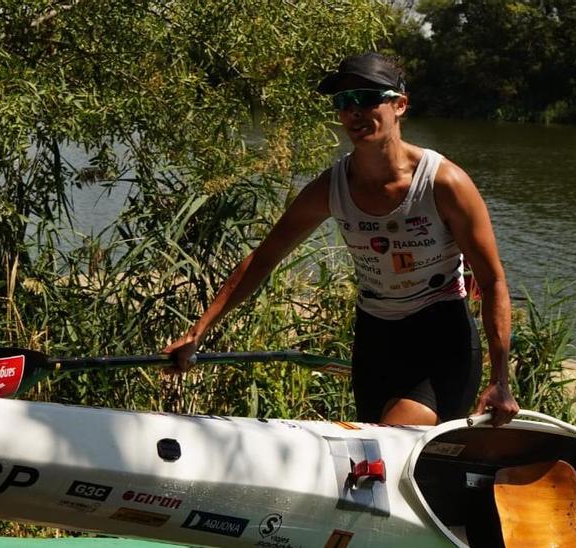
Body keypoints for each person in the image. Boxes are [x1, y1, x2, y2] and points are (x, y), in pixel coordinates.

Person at [163, 52, 520, 427]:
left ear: (400, 105)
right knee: (372, 458)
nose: (354, 112)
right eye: (343, 102)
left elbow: (494, 281)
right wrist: (196, 332)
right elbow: (265, 258)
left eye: (366, 98)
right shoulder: (329, 188)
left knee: (391, 439)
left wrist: (500, 380)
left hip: (441, 337)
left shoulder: (444, 183)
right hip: (375, 338)